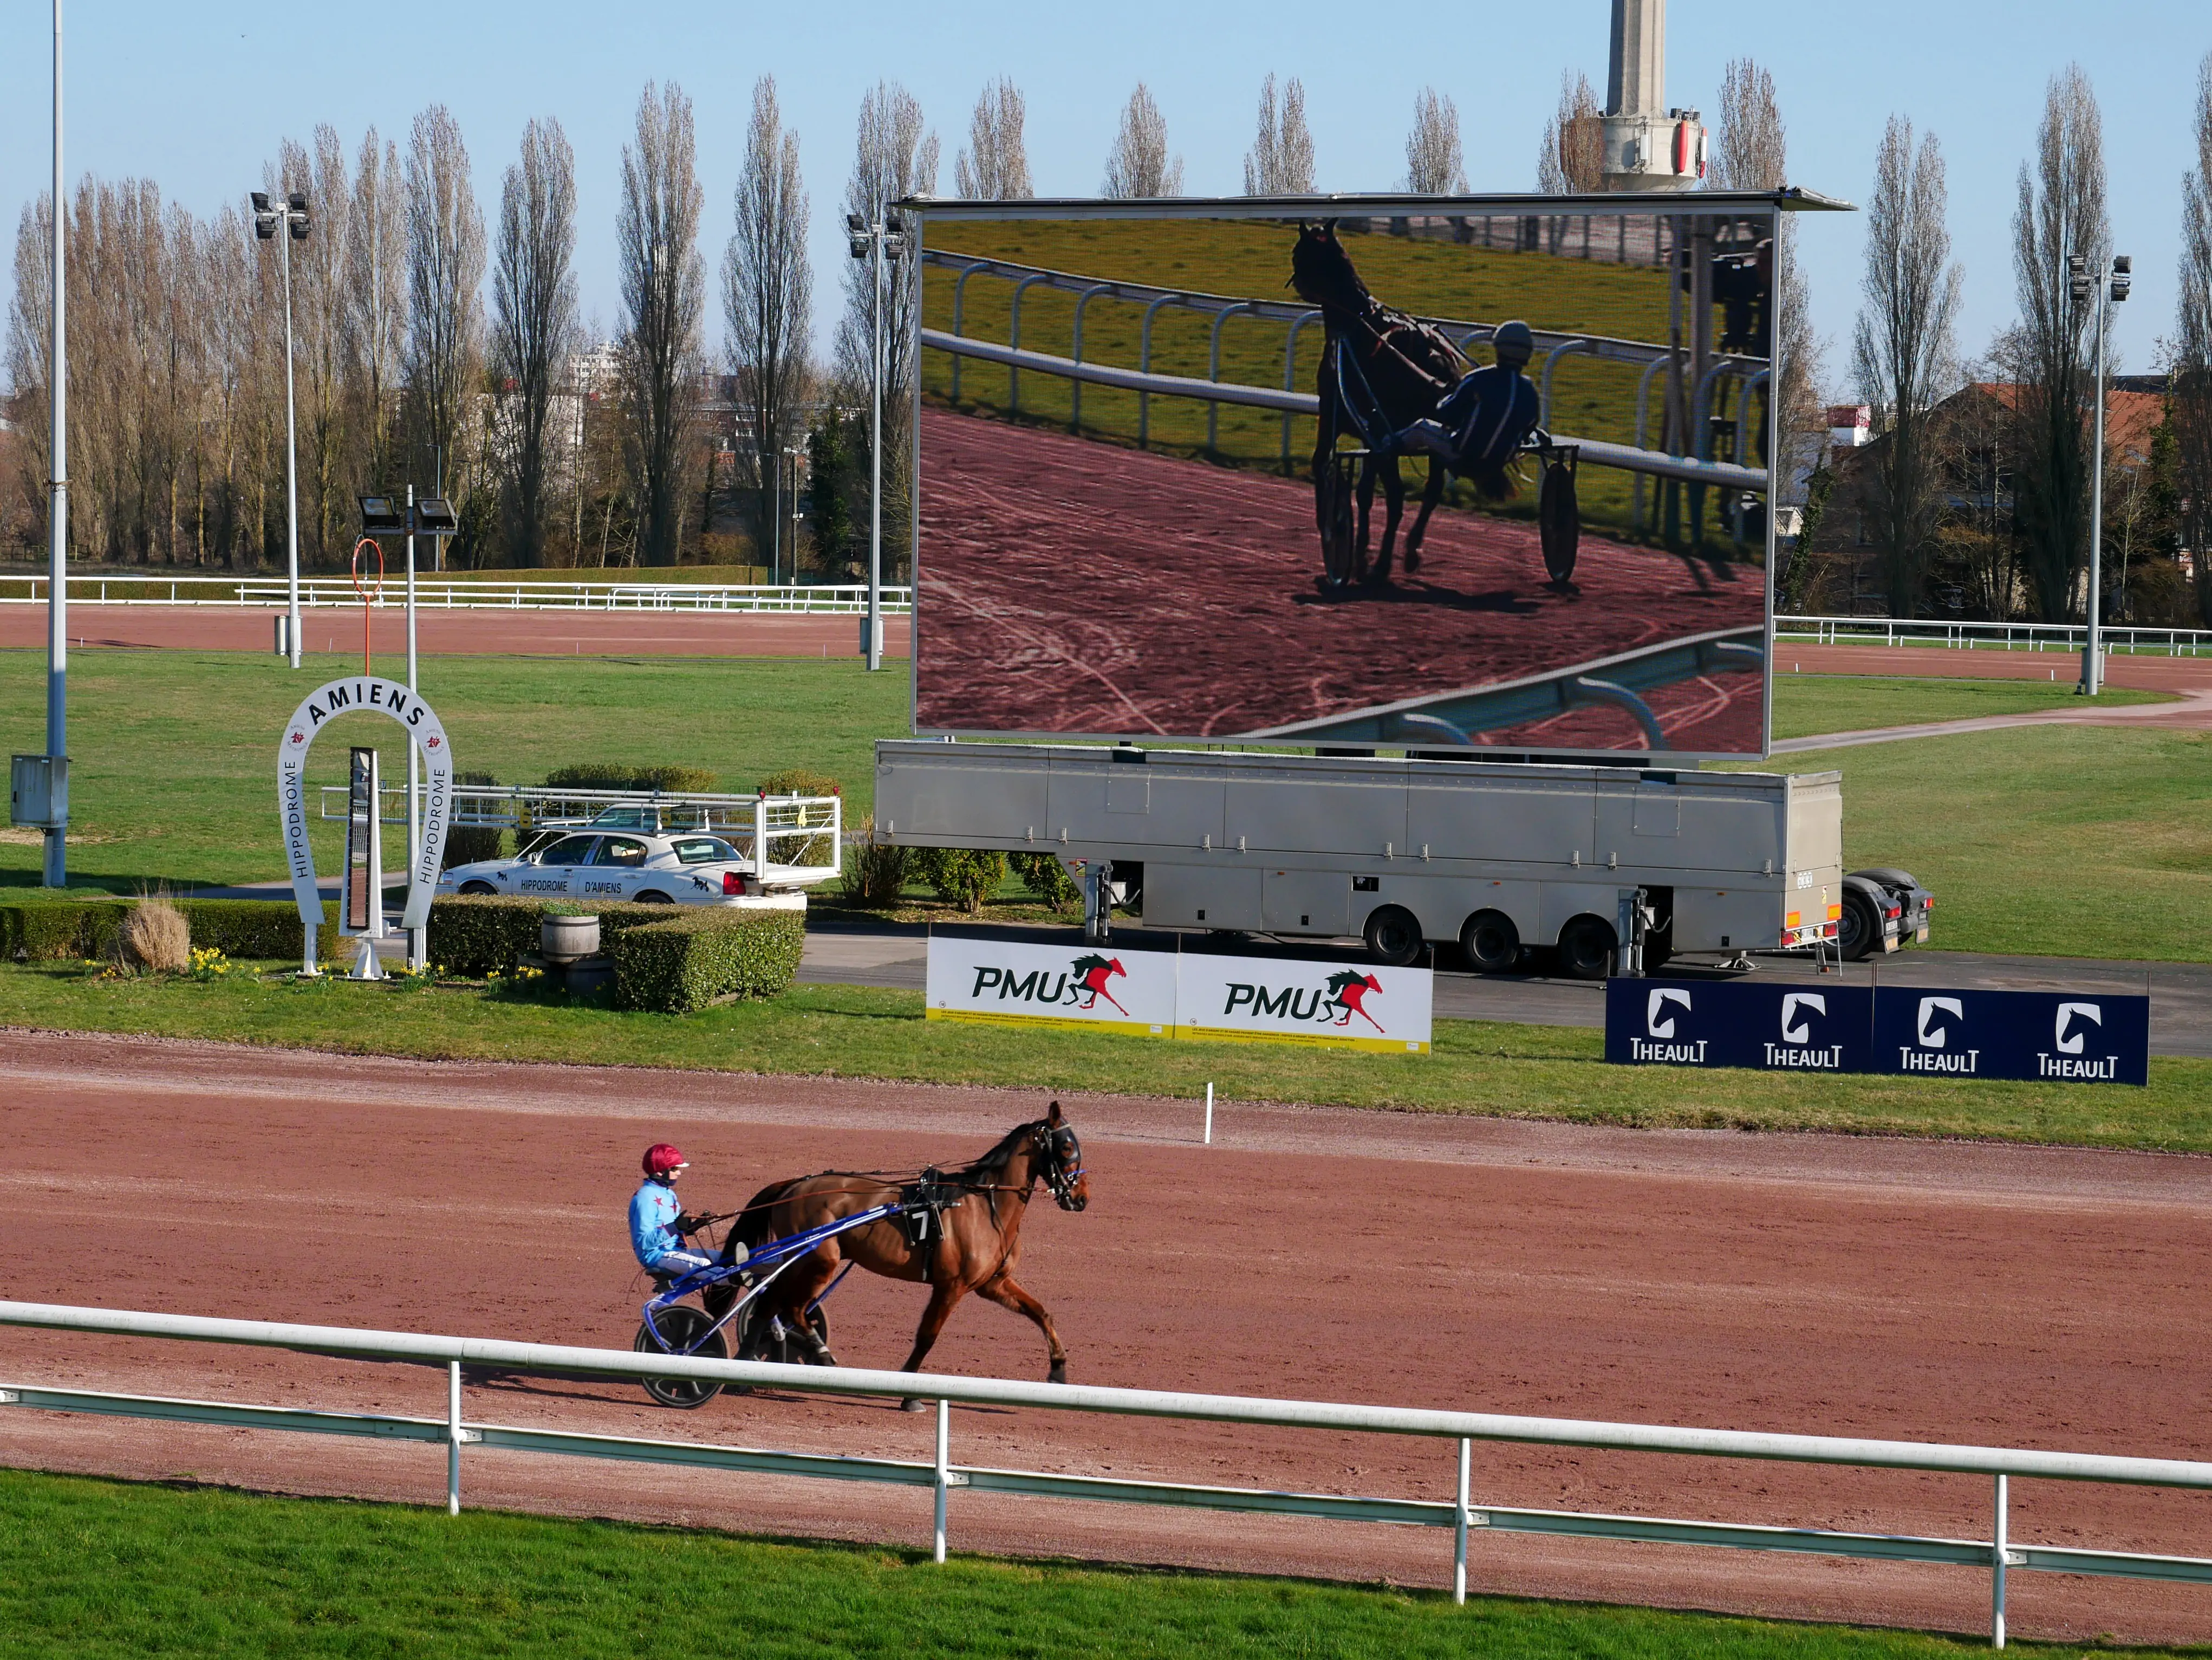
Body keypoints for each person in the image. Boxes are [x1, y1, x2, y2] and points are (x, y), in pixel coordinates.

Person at [1376, 320, 1542, 494]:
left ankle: (1385, 448)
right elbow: (1529, 425)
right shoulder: (1530, 390)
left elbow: (1446, 413)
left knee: (1421, 428)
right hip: (1499, 461)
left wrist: (1446, 396)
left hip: (1462, 457)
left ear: (1498, 346)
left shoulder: (1479, 378)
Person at [629, 1143, 741, 1279]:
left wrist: (692, 1227)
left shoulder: (669, 1195)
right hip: (657, 1255)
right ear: (660, 1171)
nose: (679, 1172)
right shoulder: (644, 1198)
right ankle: (734, 1279)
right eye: (675, 1169)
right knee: (703, 1264)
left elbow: (674, 1233)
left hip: (677, 1251)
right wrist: (674, 1227)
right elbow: (644, 1243)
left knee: (725, 1257)